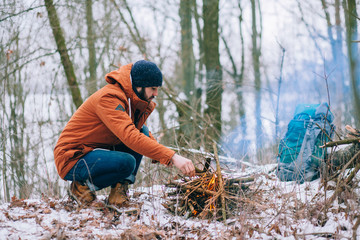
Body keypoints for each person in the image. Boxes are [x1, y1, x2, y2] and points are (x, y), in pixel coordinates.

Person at [54, 60, 195, 206]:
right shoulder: (109, 98)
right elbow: (131, 137)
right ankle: (80, 188)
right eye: (153, 88)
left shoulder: (130, 101)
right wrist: (171, 156)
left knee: (142, 130)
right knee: (127, 162)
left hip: (90, 153)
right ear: (139, 85)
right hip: (72, 157)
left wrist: (162, 157)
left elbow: (140, 134)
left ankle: (118, 194)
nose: (156, 93)